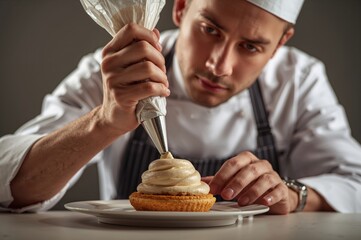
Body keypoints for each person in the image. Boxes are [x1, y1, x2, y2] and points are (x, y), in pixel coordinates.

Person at [1, 0, 361, 214]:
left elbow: (354, 182)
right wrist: (104, 121)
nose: (218, 66)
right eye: (210, 30)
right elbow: (10, 184)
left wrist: (293, 194)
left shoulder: (299, 80)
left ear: (281, 43)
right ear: (181, 7)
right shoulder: (119, 69)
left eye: (250, 47)